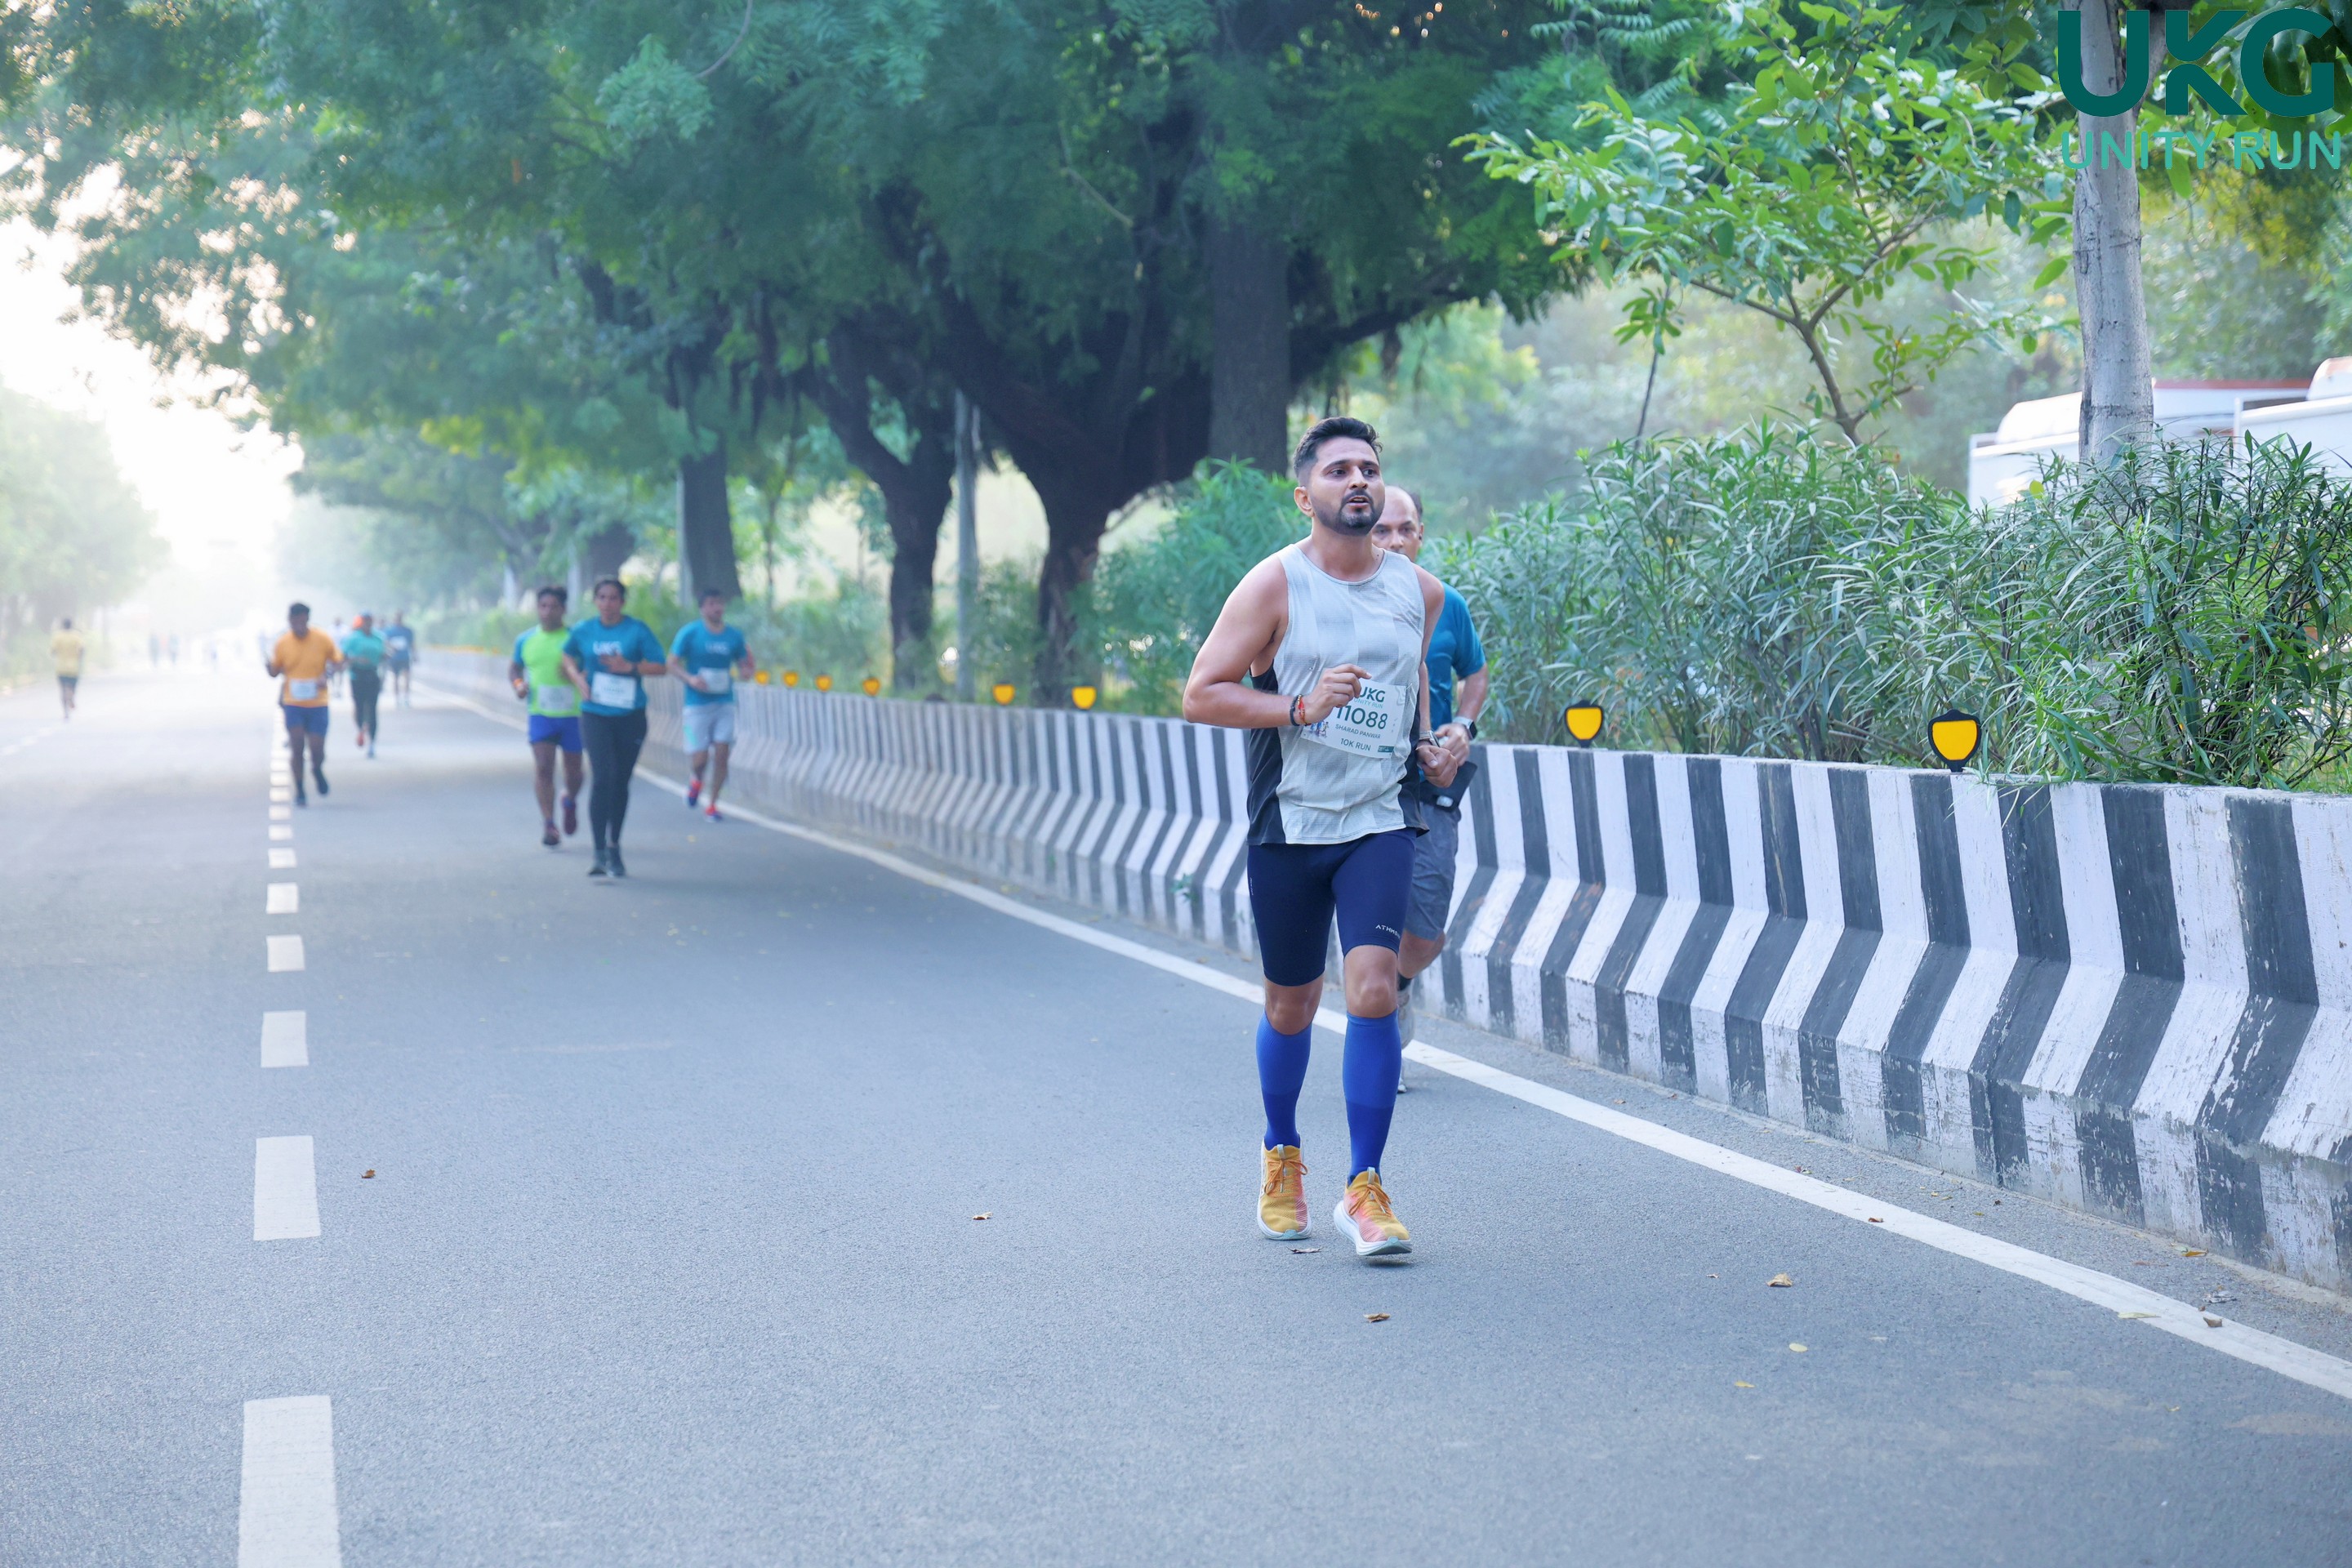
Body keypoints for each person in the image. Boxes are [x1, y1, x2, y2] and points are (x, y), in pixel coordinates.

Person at [1180, 415, 1459, 1260]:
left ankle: (1365, 1188)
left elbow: (1413, 686)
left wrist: (1434, 745)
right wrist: (1300, 707)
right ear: (1305, 497)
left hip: (1379, 820)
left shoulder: (1421, 591)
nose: (1359, 480)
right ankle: (1281, 1156)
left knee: (1372, 988)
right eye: (1338, 470)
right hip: (1291, 824)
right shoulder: (1274, 586)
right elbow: (1202, 694)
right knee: (1291, 1005)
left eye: (1369, 467)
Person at [1369, 488, 1488, 1064]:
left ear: (1421, 535)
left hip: (1429, 782)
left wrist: (1462, 725)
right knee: (1372, 921)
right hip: (1364, 783)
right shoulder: (1341, 601)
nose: (1395, 541)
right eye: (1382, 530)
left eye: (1406, 530)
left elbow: (1476, 674)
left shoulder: (1445, 602)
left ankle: (1400, 984)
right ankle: (1378, 1037)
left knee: (1424, 931)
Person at [560, 577, 666, 878]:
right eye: (602, 598)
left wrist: (630, 667)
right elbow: (567, 655)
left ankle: (614, 845)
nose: (607, 604)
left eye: (613, 598)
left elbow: (660, 666)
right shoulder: (584, 630)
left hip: (630, 714)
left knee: (620, 781)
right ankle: (598, 852)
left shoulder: (637, 631)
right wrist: (577, 677)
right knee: (602, 777)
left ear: (622, 602)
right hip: (595, 713)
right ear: (595, 601)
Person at [670, 588, 755, 822]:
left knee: (722, 753)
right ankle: (696, 779)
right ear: (702, 608)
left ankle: (713, 804)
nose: (717, 608)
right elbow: (672, 664)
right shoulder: (690, 633)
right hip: (697, 704)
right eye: (711, 604)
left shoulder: (733, 636)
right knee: (700, 759)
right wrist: (690, 679)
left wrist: (747, 670)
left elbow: (744, 665)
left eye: (720, 603)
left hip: (724, 702)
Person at [510, 586, 586, 849]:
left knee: (574, 772)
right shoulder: (525, 640)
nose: (547, 612)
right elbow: (515, 668)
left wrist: (579, 676)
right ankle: (549, 823)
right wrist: (519, 685)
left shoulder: (575, 638)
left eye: (554, 607)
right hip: (540, 714)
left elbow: (591, 667)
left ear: (563, 609)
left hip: (573, 715)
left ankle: (570, 799)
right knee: (543, 767)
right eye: (543, 606)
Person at [267, 602, 342, 804]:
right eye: (296, 622)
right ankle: (300, 789)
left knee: (317, 749)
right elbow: (275, 671)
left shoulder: (322, 638)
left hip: (318, 702)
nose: (300, 626)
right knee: (297, 746)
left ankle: (317, 769)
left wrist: (326, 675)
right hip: (293, 703)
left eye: (303, 622)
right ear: (290, 621)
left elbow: (337, 662)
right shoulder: (283, 643)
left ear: (308, 620)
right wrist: (269, 666)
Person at [341, 612, 387, 757]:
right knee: (359, 706)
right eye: (365, 621)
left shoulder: (378, 637)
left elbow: (383, 655)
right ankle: (361, 729)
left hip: (372, 675)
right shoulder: (353, 638)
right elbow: (343, 655)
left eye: (370, 621)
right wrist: (355, 659)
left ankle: (372, 742)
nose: (368, 623)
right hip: (357, 675)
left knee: (372, 709)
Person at [51, 617, 84, 719]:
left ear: (63, 625)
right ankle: (71, 698)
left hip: (61, 668)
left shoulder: (58, 636)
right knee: (72, 688)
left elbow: (53, 651)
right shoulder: (76, 636)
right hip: (73, 668)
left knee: (63, 690)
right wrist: (79, 658)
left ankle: (65, 712)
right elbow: (82, 650)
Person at [382, 612, 416, 706]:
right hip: (394, 658)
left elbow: (412, 644)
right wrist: (391, 647)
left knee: (407, 677)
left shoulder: (407, 631)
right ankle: (397, 699)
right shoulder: (389, 631)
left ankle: (406, 697)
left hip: (405, 657)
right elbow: (385, 642)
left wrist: (414, 655)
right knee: (396, 678)